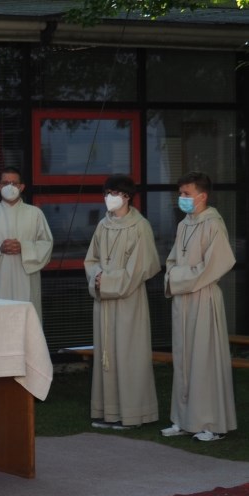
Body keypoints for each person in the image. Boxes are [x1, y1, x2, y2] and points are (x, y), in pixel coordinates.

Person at [161, 172, 236, 442]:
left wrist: (178, 278)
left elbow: (219, 263)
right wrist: (174, 275)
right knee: (183, 358)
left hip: (203, 297)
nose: (181, 198)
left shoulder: (213, 224)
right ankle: (183, 420)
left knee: (204, 360)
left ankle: (211, 423)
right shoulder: (184, 224)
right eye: (180, 193)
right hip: (184, 299)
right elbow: (171, 261)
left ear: (202, 196)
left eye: (186, 193)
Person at [84, 175, 161, 430]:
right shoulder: (103, 225)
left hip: (129, 300)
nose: (109, 197)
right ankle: (110, 413)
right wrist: (96, 277)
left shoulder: (140, 226)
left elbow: (142, 267)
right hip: (105, 302)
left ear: (127, 196)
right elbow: (90, 259)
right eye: (106, 192)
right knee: (107, 355)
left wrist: (106, 282)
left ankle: (134, 414)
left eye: (114, 192)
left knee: (129, 354)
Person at [0, 167, 54, 319]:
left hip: (26, 280)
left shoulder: (35, 213)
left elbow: (46, 245)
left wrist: (24, 247)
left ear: (22, 187)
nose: (10, 187)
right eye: (6, 183)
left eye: (14, 183)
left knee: (26, 322)